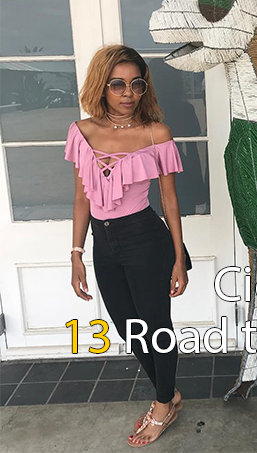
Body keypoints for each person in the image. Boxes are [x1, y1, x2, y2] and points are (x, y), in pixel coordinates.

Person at [64, 44, 188, 447]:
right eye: (118, 84)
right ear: (102, 85)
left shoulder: (156, 134)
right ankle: (169, 394)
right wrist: (77, 254)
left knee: (156, 327)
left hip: (145, 240)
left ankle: (162, 404)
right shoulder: (82, 132)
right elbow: (81, 198)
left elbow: (169, 201)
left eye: (137, 84)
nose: (128, 93)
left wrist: (179, 259)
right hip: (104, 244)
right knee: (129, 329)